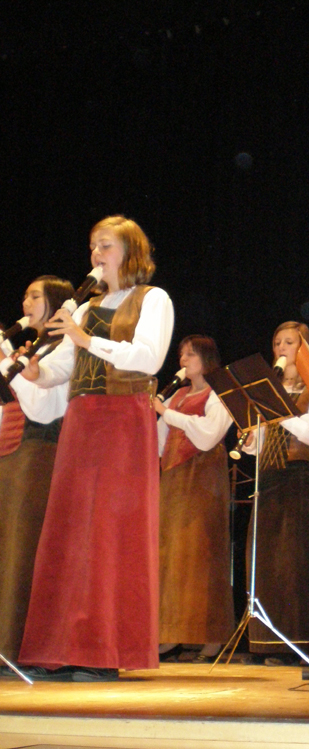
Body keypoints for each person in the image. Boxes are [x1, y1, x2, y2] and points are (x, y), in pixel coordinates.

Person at [18, 215, 174, 682]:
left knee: (109, 531)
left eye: (105, 245)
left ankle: (103, 649)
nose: (95, 254)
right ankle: (60, 646)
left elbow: (149, 358)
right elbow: (64, 368)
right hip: (83, 421)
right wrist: (34, 371)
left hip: (124, 419)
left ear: (130, 252)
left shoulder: (153, 299)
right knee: (70, 530)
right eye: (92, 246)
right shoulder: (86, 308)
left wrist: (85, 337)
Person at [243, 321, 309, 664]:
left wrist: (277, 411)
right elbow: (260, 444)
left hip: (297, 479)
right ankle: (266, 643)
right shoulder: (269, 388)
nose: (281, 348)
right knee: (265, 564)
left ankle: (298, 642)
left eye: (289, 342)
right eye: (277, 342)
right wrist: (250, 441)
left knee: (294, 564)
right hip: (267, 478)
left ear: (303, 348)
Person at [0, 276, 74, 664]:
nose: (25, 302)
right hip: (14, 454)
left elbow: (45, 409)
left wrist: (6, 361)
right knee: (8, 548)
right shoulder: (36, 348)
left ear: (55, 303)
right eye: (25, 295)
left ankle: (17, 646)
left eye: (34, 296)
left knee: (23, 549)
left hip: (41, 454)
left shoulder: (62, 348)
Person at [154, 335, 234, 662]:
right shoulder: (178, 395)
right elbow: (160, 439)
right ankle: (171, 632)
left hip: (203, 478)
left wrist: (167, 413)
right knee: (171, 556)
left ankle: (212, 636)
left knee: (202, 555)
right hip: (174, 480)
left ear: (206, 359)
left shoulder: (219, 393)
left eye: (190, 355)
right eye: (182, 355)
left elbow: (208, 435)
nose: (183, 360)